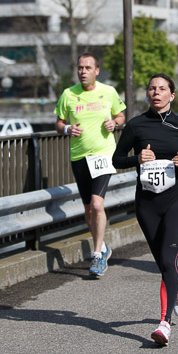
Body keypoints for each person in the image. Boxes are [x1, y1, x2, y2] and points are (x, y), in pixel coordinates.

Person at [112, 74, 178, 346]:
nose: (156, 93)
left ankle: (164, 324)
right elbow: (117, 159)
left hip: (177, 199)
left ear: (171, 95)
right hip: (147, 202)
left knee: (168, 259)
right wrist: (137, 158)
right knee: (163, 264)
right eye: (152, 89)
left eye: (162, 89)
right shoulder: (135, 125)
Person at [54, 53, 126, 277]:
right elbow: (59, 123)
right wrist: (67, 129)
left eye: (87, 68)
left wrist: (114, 123)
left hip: (103, 154)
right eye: (80, 68)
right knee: (88, 209)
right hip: (79, 156)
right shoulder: (68, 94)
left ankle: (96, 255)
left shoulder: (109, 91)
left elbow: (121, 116)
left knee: (97, 204)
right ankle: (102, 247)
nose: (83, 72)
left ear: (97, 71)